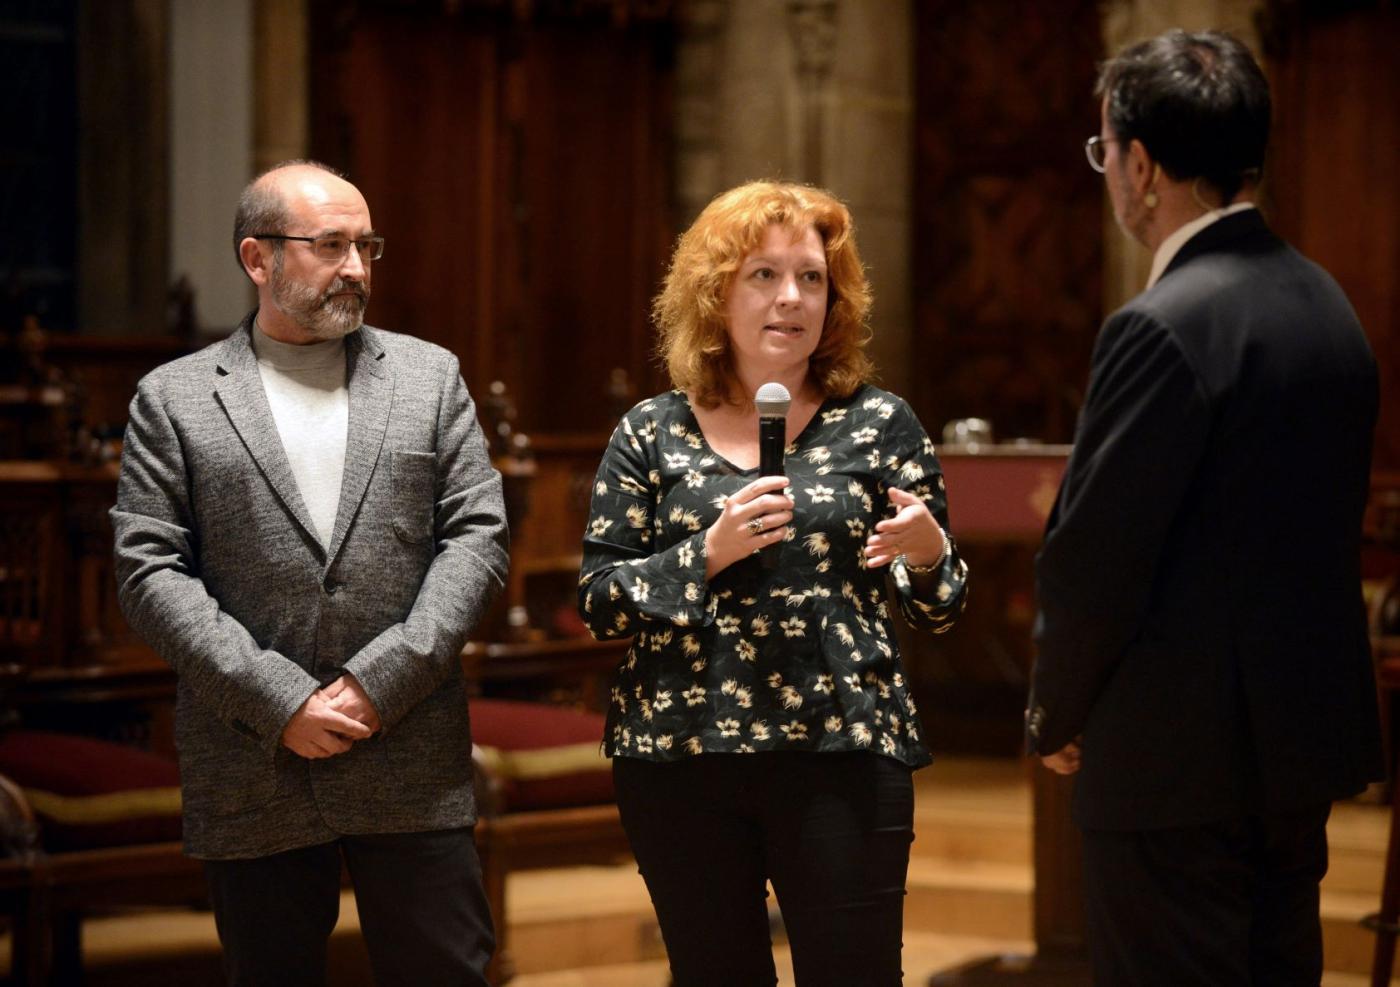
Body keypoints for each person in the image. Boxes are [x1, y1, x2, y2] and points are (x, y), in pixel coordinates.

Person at [1026, 30, 1383, 986]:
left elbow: (1096, 553)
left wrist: (1058, 706)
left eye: (1106, 152)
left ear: (1142, 167)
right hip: (1293, 748)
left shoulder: (1161, 325)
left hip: (1171, 762)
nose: (1109, 173)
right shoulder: (1328, 306)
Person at [112, 160, 508, 986]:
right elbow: (149, 572)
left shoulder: (430, 377)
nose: (356, 267)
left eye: (365, 246)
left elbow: (476, 539)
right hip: (256, 757)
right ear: (257, 258)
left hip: (409, 751)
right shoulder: (174, 397)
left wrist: (381, 681)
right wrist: (279, 699)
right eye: (329, 245)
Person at [577, 180, 969, 986]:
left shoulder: (881, 423)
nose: (791, 297)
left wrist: (930, 555)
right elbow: (600, 602)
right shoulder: (650, 431)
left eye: (811, 277)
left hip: (840, 753)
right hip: (681, 755)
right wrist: (706, 552)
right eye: (764, 274)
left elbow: (939, 609)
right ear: (714, 291)